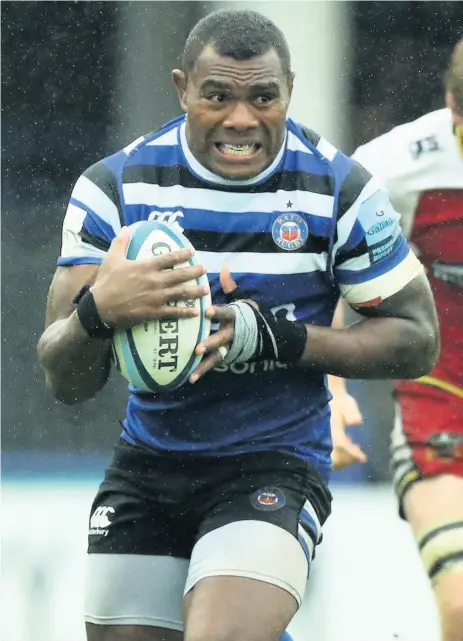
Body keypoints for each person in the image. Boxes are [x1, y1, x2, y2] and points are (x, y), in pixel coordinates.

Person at [37, 9, 439, 641]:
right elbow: (65, 379)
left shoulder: (339, 189)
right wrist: (99, 311)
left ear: (289, 93)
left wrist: (278, 340)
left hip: (273, 464)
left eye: (263, 97)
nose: (241, 120)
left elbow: (417, 337)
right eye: (217, 95)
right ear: (182, 89)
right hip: (149, 464)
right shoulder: (114, 188)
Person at [331, 40, 463, 641]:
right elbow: (329, 272)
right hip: (441, 404)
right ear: (451, 109)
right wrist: (328, 393)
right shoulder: (394, 165)